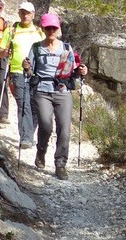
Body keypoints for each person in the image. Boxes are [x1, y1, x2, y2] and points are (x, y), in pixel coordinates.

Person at [23, 13, 88, 180]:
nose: (51, 30)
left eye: (54, 27)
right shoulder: (36, 48)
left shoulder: (66, 48)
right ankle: (41, 151)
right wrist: (27, 67)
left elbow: (74, 69)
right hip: (42, 91)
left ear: (58, 28)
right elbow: (29, 72)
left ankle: (60, 164)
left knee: (64, 129)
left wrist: (82, 71)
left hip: (62, 91)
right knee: (46, 125)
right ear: (43, 29)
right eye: (48, 28)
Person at [0, 1, 43, 149]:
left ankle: (29, 133)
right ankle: (26, 138)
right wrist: (5, 52)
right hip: (17, 71)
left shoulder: (39, 32)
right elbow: (0, 50)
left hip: (36, 73)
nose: (25, 15)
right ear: (19, 13)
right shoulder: (11, 30)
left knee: (35, 106)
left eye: (28, 13)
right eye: (23, 12)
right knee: (23, 103)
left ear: (33, 14)